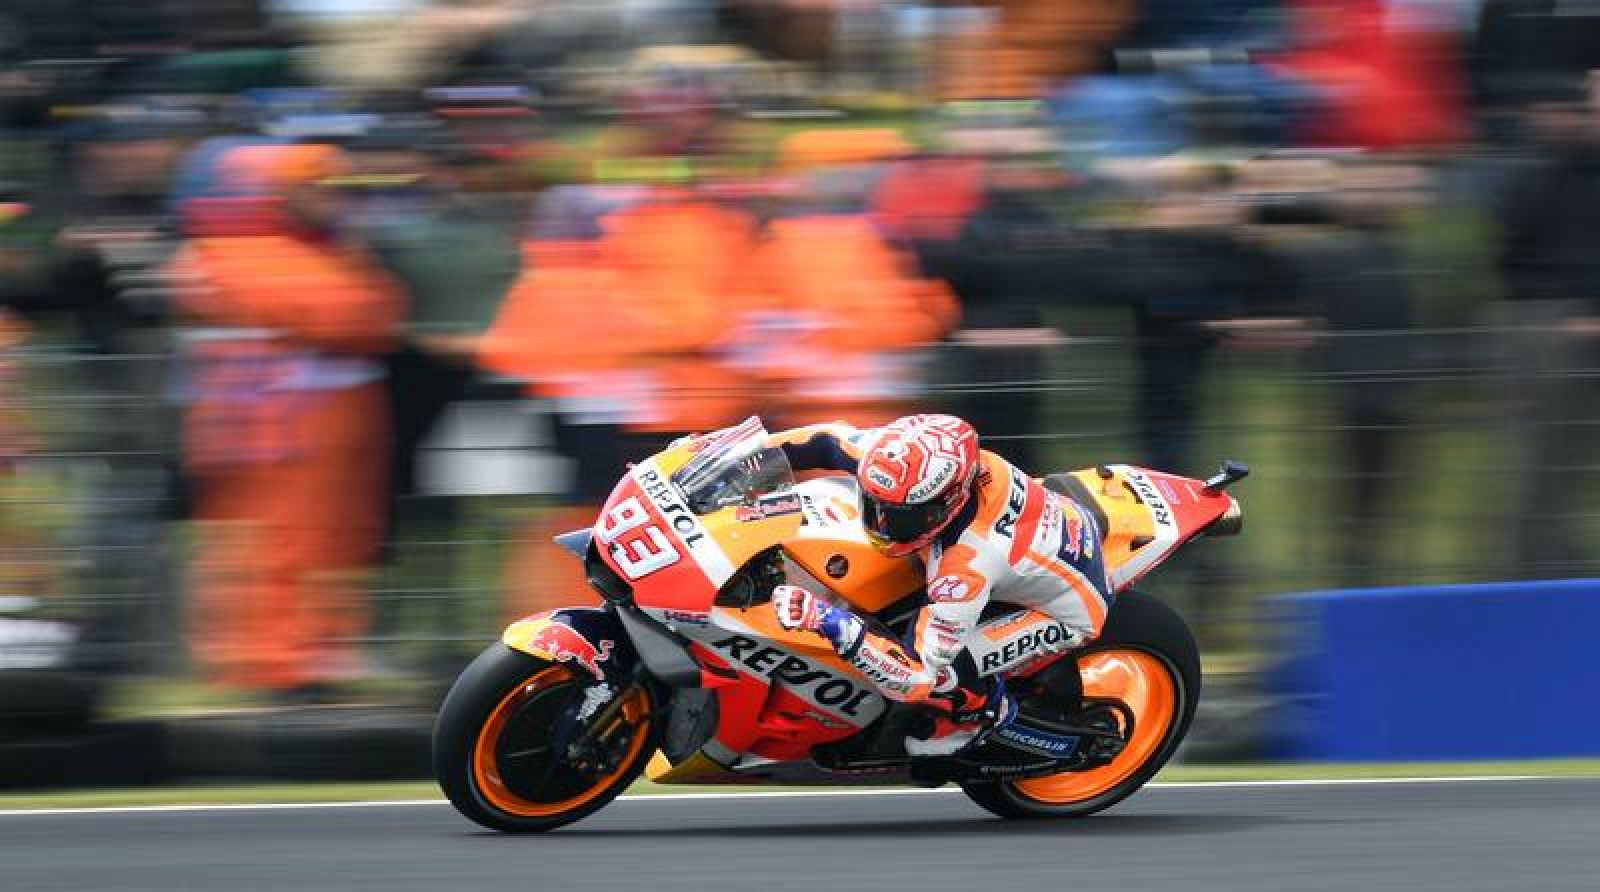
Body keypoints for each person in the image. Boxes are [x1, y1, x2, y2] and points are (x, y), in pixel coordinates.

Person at [767, 413, 1112, 756]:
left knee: (944, 676)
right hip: (1040, 538)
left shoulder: (966, 565)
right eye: (875, 506)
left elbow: (916, 679)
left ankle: (978, 721)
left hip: (1067, 607)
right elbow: (825, 440)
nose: (882, 524)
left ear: (948, 502)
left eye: (901, 517)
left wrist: (829, 621)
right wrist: (744, 452)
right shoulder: (896, 462)